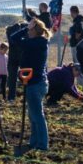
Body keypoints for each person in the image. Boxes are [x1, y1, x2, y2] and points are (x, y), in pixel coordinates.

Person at [9, 18, 52, 154]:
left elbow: (13, 38)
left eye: (30, 29)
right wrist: (29, 28)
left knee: (37, 115)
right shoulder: (39, 42)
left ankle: (42, 144)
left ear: (34, 30)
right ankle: (34, 142)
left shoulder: (33, 43)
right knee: (33, 114)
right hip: (37, 82)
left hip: (34, 83)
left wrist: (25, 29)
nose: (28, 31)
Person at [5, 21, 28, 102]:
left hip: (12, 56)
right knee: (25, 77)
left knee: (12, 78)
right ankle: (26, 96)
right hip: (22, 56)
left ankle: (11, 97)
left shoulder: (9, 30)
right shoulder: (26, 29)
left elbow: (12, 41)